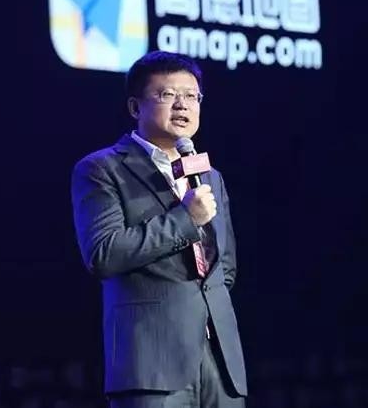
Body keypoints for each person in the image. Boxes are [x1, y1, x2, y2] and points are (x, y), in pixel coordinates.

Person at [70, 51, 247, 408]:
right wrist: (185, 219)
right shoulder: (102, 169)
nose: (182, 105)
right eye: (168, 94)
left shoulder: (210, 175)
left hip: (219, 359)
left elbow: (224, 267)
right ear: (135, 107)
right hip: (152, 361)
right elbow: (103, 254)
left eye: (191, 95)